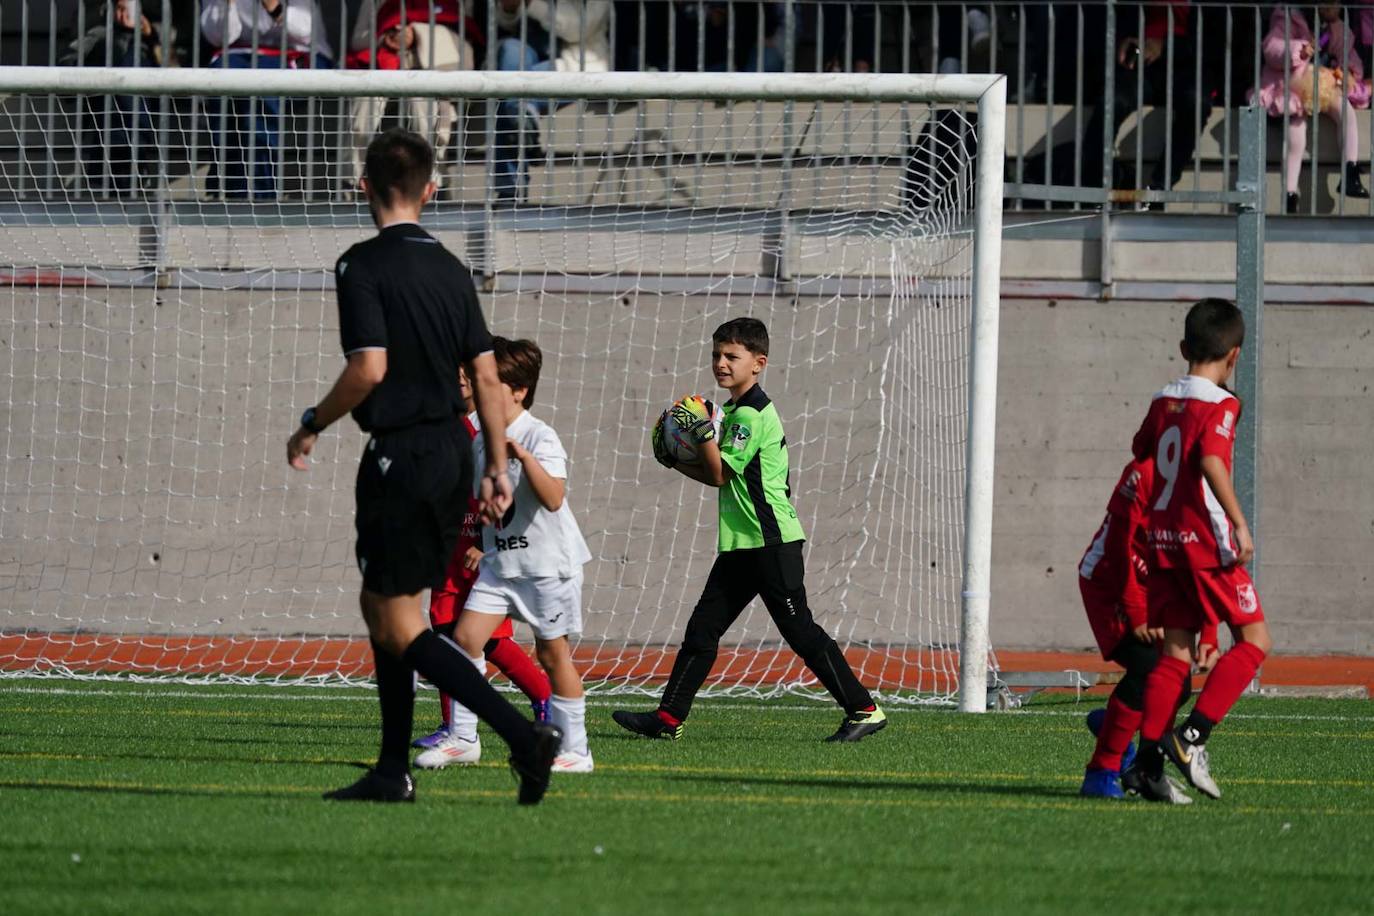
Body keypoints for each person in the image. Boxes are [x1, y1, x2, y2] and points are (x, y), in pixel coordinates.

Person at [285, 128, 560, 804]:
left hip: (399, 455)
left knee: (403, 622)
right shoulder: (451, 268)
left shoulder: (361, 265)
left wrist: (313, 422)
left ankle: (523, 738)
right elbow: (486, 375)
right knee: (386, 608)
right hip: (451, 458)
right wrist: (494, 464)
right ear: (431, 190)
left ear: (363, 187)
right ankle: (390, 770)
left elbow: (368, 368)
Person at [613, 318, 887, 743]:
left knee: (800, 632)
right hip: (744, 544)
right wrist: (677, 460)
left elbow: (720, 473)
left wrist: (700, 433)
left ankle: (864, 710)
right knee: (702, 629)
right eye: (716, 356)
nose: (720, 363)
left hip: (771, 543)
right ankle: (668, 719)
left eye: (731, 356)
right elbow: (717, 474)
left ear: (758, 363)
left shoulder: (750, 414)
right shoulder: (736, 412)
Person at [1124, 298, 1274, 804]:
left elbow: (1141, 449)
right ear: (1235, 356)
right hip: (1204, 541)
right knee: (1255, 641)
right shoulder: (1223, 404)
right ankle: (1191, 737)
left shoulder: (1163, 398)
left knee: (1177, 653)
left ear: (1184, 348)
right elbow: (1211, 457)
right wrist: (1238, 521)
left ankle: (1146, 765)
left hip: (1162, 539)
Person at [441, 337, 595, 774]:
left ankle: (577, 750)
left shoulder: (538, 434)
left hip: (547, 567)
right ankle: (463, 738)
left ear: (519, 390)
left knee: (552, 656)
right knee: (465, 640)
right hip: (501, 563)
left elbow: (552, 498)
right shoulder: (480, 440)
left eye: (492, 383)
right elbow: (487, 503)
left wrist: (524, 459)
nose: (481, 389)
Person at [412, 363, 553, 769]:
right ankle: (451, 725)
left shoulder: (489, 431)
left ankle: (543, 696)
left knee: (481, 639)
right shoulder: (448, 424)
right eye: (452, 372)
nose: (458, 379)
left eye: (465, 372)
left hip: (478, 545)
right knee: (445, 632)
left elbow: (502, 492)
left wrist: (485, 546)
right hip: (450, 542)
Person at [1077, 456, 1219, 799]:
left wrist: (1210, 634)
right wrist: (1137, 612)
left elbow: (1206, 568)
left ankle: (1128, 747)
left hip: (1158, 585)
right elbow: (1118, 547)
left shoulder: (1210, 483)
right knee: (1147, 669)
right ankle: (1102, 771)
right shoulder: (1144, 471)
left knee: (1178, 684)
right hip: (1110, 582)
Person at [1079, 0, 1213, 205]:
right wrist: (1122, 41)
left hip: (1189, 64)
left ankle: (1159, 189)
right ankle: (1095, 192)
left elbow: (1216, 35)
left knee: (1196, 102)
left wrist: (1165, 45)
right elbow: (1111, 17)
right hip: (1142, 63)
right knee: (1112, 101)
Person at [200, 0, 335, 198]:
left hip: (298, 56)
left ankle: (262, 194)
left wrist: (274, 8)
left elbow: (305, 30)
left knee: (260, 90)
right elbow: (218, 37)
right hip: (240, 58)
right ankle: (229, 190)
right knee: (222, 81)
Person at [346, 0, 483, 190]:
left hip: (430, 70)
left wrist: (417, 33)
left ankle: (429, 181)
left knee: (424, 106)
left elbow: (464, 35)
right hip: (385, 66)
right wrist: (387, 36)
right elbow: (357, 40)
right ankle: (355, 181)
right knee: (364, 104)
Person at [1252, 4, 1370, 215]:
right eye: (1327, 4)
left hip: (1325, 85)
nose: (1332, 9)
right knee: (1296, 131)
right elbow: (1272, 48)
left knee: (1346, 112)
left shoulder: (1338, 28)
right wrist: (1298, 49)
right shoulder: (1288, 17)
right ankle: (1289, 193)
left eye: (1335, 5)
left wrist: (1349, 70)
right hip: (1294, 86)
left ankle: (1350, 171)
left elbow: (1348, 54)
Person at [491, 0, 610, 200]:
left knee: (509, 93)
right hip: (526, 63)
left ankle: (510, 190)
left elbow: (578, 28)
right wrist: (509, 8)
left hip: (574, 65)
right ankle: (523, 118)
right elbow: (507, 25)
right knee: (511, 51)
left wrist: (530, 4)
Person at [66, 0, 179, 195]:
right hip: (107, 104)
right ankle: (132, 159)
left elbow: (175, 73)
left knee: (134, 61)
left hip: (145, 104)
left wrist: (151, 37)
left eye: (130, 9)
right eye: (119, 9)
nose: (124, 15)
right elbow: (67, 62)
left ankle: (126, 160)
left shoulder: (159, 33)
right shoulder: (99, 34)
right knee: (118, 61)